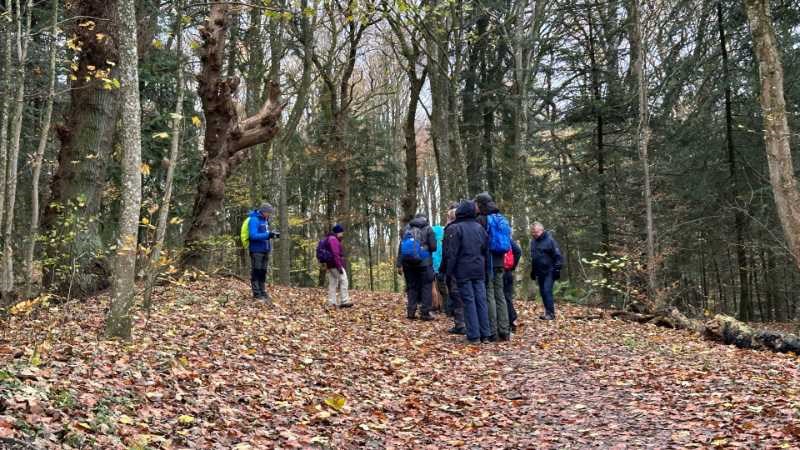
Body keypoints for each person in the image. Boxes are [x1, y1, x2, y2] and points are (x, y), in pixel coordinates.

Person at [445, 200, 490, 343]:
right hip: (479, 269)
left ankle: (474, 335)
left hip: (463, 270)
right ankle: (485, 334)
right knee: (481, 300)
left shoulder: (455, 228)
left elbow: (452, 253)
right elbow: (485, 250)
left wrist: (448, 273)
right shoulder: (480, 228)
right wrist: (487, 270)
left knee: (469, 301)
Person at [474, 193, 511, 341]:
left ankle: (493, 330)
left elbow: (479, 243)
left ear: (481, 204)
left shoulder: (482, 219)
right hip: (500, 261)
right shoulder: (501, 218)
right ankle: (505, 330)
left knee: (489, 295)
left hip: (488, 262)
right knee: (500, 295)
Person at [397, 213, 437, 320]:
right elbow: (433, 247)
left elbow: (401, 247)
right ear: (425, 219)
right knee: (426, 286)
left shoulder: (406, 228)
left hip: (408, 264)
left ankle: (411, 312)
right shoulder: (429, 229)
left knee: (412, 287)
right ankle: (425, 313)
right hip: (424, 263)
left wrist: (399, 264)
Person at [530, 222, 562, 320]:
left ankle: (551, 314)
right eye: (533, 232)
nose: (534, 234)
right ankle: (547, 312)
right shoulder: (533, 242)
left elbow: (557, 256)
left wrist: (557, 268)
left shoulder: (550, 240)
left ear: (541, 230)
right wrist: (533, 271)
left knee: (547, 290)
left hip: (550, 270)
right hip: (540, 272)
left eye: (535, 232)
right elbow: (534, 258)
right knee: (543, 292)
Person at [247, 203, 280, 302]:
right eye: (268, 212)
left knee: (263, 272)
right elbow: (253, 235)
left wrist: (272, 235)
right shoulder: (254, 220)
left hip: (265, 250)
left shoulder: (265, 220)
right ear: (263, 211)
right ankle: (256, 294)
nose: (269, 214)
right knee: (256, 272)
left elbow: (265, 234)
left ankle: (262, 291)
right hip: (256, 250)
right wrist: (267, 235)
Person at [441, 204, 465, 334]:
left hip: (455, 268)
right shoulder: (465, 226)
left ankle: (460, 324)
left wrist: (446, 270)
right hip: (467, 266)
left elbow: (448, 252)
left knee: (456, 295)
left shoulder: (451, 229)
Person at [325, 224, 352, 308]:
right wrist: (339, 266)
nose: (342, 234)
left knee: (333, 283)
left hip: (330, 265)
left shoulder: (329, 239)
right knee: (344, 280)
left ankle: (332, 302)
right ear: (338, 232)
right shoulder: (333, 240)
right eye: (341, 232)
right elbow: (335, 254)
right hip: (335, 265)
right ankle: (344, 301)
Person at [503, 239, 522, 332]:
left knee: (503, 298)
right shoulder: (506, 238)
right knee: (507, 297)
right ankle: (512, 320)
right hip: (508, 271)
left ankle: (511, 320)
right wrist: (512, 266)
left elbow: (518, 251)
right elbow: (518, 251)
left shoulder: (491, 235)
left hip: (499, 271)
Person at [431, 223, 450, 315]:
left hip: (434, 266)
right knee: (444, 288)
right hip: (443, 266)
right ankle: (444, 308)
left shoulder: (432, 240)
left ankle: (437, 306)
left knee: (435, 287)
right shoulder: (443, 240)